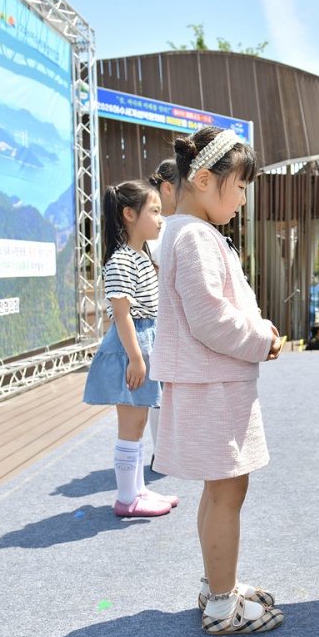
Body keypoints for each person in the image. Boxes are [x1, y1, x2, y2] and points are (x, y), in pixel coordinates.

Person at [149, 127, 284, 635]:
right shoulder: (196, 236)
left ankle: (216, 585)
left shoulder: (183, 232)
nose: (245, 198)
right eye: (241, 186)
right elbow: (210, 318)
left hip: (207, 382)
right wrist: (261, 340)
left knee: (218, 490)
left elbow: (211, 310)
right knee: (230, 491)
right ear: (204, 179)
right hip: (215, 383)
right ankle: (223, 605)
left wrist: (256, 329)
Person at [82, 180, 177, 518]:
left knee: (136, 427)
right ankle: (127, 498)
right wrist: (136, 359)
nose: (160, 219)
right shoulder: (122, 259)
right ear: (129, 214)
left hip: (145, 345)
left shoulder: (140, 256)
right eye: (154, 211)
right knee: (131, 427)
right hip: (133, 349)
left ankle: (137, 490)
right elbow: (122, 315)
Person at [144, 158, 180, 468]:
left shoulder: (163, 223)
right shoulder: (164, 226)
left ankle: (165, 449)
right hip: (160, 318)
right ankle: (164, 450)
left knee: (164, 388)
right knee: (161, 389)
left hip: (162, 317)